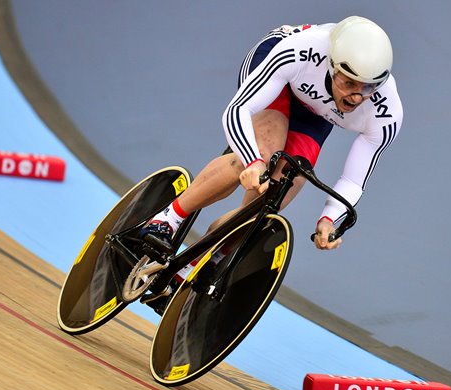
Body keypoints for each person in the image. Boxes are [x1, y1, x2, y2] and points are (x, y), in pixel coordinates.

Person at [142, 16, 403, 293]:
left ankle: (194, 260)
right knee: (264, 158)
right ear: (331, 64)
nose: (355, 97)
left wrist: (329, 219)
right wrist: (252, 161)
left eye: (367, 88)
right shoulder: (300, 49)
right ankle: (168, 217)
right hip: (282, 74)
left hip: (316, 111)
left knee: (277, 193)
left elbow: (353, 181)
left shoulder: (386, 113)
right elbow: (237, 111)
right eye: (348, 83)